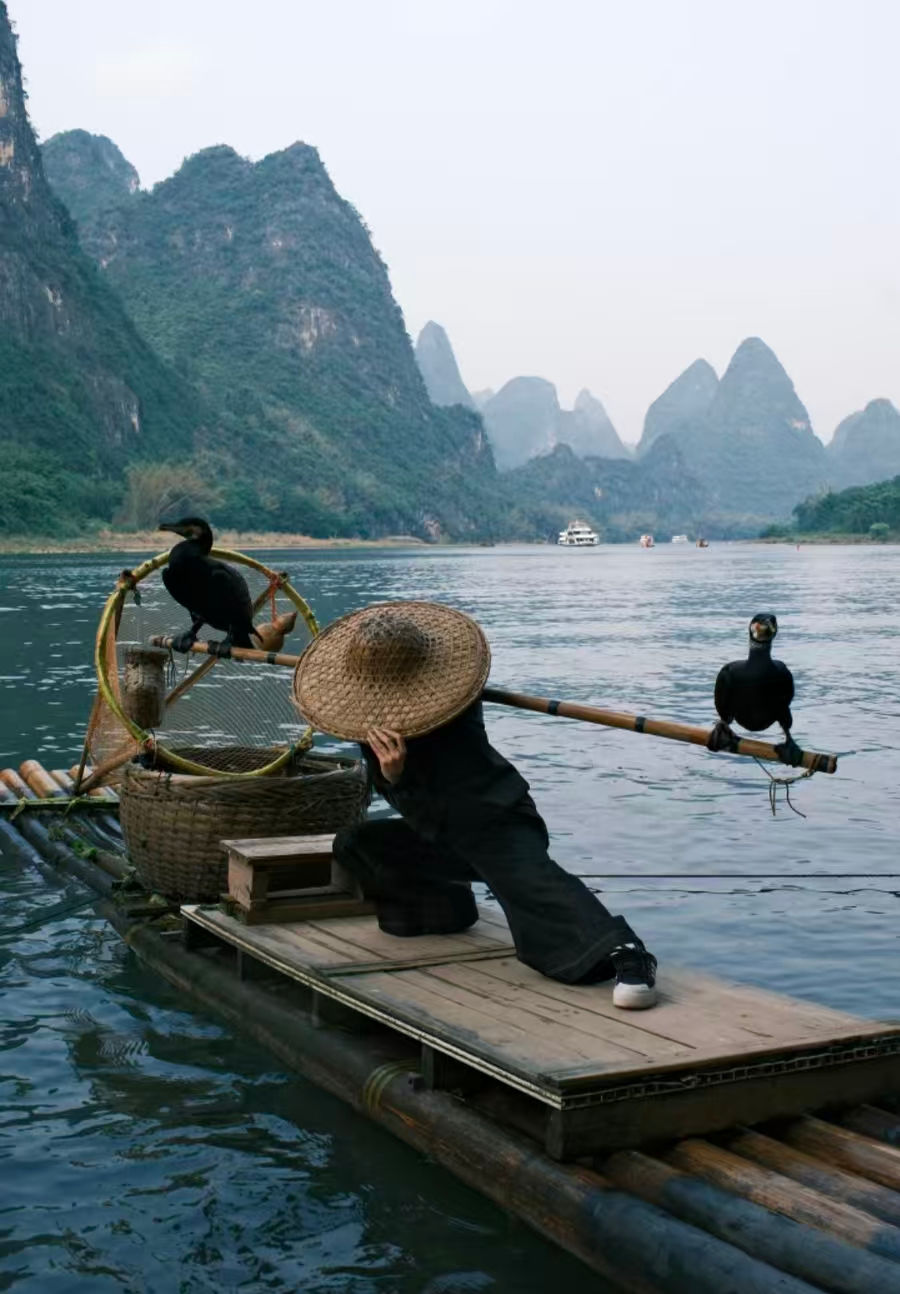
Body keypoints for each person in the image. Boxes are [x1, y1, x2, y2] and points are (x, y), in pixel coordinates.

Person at [293, 601, 658, 1009]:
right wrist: (395, 778)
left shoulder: (454, 702)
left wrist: (402, 777)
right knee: (355, 843)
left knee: (536, 889)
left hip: (494, 820)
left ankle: (627, 952)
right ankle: (447, 908)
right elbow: (417, 810)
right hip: (439, 830)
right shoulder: (372, 721)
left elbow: (453, 787)